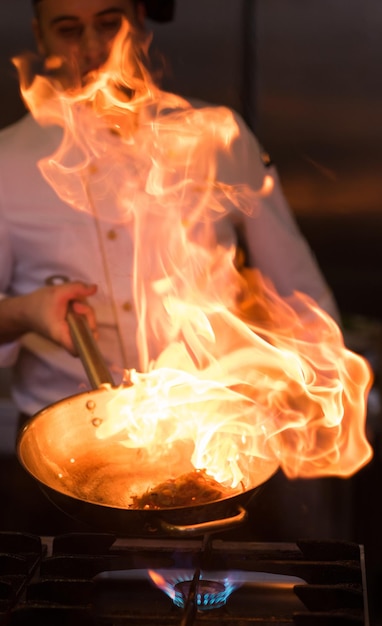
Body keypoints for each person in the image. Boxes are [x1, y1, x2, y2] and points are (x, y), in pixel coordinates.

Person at [0, 0, 340, 425]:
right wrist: (26, 311)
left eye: (109, 23)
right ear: (40, 34)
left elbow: (298, 291)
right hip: (62, 434)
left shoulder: (217, 134)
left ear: (139, 20)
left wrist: (327, 395)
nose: (91, 47)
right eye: (68, 30)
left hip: (211, 432)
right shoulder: (7, 163)